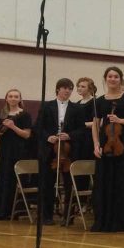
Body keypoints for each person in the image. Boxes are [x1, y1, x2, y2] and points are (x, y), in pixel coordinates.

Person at [91, 66, 124, 232]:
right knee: (105, 182)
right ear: (105, 79)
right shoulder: (99, 100)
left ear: (120, 79)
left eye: (116, 77)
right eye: (110, 76)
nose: (112, 79)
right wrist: (96, 144)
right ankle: (105, 221)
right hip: (105, 145)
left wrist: (120, 120)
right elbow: (95, 124)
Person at [36, 78, 84, 225]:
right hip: (50, 150)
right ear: (58, 89)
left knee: (69, 184)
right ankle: (46, 216)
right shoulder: (46, 106)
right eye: (64, 88)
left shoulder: (77, 108)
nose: (67, 91)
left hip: (68, 151)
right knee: (47, 183)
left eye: (70, 88)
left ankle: (68, 217)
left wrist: (69, 135)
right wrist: (48, 137)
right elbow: (38, 127)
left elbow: (82, 130)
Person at [0, 89, 32, 220]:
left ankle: (13, 210)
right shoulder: (1, 113)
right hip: (1, 151)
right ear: (6, 98)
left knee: (12, 179)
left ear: (20, 99)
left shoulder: (25, 115)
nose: (13, 98)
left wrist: (13, 127)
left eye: (16, 96)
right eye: (10, 96)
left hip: (18, 151)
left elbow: (27, 135)